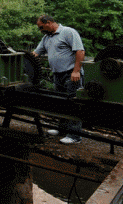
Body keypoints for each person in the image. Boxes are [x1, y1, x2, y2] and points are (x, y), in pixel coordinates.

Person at [32, 14, 85, 145]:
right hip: (57, 75)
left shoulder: (68, 32)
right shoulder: (46, 38)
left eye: (42, 27)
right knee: (61, 103)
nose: (41, 30)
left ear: (49, 22)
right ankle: (62, 130)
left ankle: (75, 136)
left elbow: (80, 51)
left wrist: (76, 71)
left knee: (74, 104)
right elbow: (35, 53)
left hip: (70, 74)